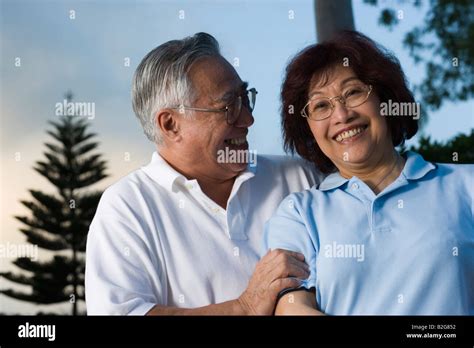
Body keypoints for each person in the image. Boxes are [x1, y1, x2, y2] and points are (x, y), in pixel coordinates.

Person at [85, 32, 322, 315]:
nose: (248, 119)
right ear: (171, 124)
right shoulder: (127, 207)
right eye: (228, 107)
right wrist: (243, 307)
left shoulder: (303, 178)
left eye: (245, 99)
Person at [263, 31, 474, 315]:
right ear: (309, 130)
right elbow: (292, 308)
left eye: (353, 92)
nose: (341, 115)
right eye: (321, 106)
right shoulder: (299, 213)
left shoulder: (466, 185)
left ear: (386, 100)